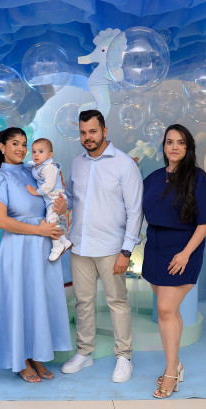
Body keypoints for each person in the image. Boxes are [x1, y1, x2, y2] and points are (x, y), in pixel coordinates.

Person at [0, 127, 72, 383]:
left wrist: (62, 206)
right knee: (18, 301)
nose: (21, 149)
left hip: (42, 245)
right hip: (18, 248)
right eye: (15, 143)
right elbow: (0, 221)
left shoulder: (34, 172)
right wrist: (38, 230)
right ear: (2, 147)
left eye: (24, 144)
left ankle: (36, 355)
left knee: (38, 301)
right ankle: (20, 359)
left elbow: (53, 202)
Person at [61, 109, 143, 383]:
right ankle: (84, 352)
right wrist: (60, 202)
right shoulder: (77, 163)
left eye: (93, 131)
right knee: (83, 302)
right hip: (80, 247)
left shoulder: (124, 164)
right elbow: (72, 199)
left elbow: (135, 211)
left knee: (117, 302)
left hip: (111, 248)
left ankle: (124, 357)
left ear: (105, 131)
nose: (88, 137)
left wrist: (126, 251)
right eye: (83, 132)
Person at [142, 124, 206, 398]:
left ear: (188, 148)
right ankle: (177, 364)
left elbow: (205, 221)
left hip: (184, 248)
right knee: (170, 312)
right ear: (164, 146)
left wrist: (186, 253)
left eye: (181, 142)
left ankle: (171, 372)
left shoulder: (198, 179)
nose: (174, 147)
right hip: (155, 248)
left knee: (165, 308)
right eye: (169, 142)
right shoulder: (153, 178)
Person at [26, 137, 72, 261]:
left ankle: (57, 246)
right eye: (34, 151)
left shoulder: (50, 168)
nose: (36, 155)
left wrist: (36, 192)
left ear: (50, 155)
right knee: (53, 220)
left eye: (41, 151)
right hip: (49, 199)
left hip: (55, 198)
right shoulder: (39, 166)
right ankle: (64, 241)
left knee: (51, 221)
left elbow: (49, 185)